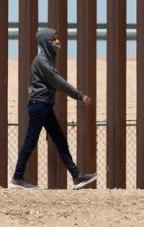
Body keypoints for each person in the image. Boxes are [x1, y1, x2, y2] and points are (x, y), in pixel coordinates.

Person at [10, 27, 97, 190]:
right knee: (31, 141)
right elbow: (57, 81)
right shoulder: (42, 61)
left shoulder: (48, 59)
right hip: (39, 105)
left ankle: (77, 176)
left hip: (44, 105)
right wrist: (79, 96)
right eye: (53, 39)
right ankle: (17, 177)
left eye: (57, 38)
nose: (58, 42)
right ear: (45, 42)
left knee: (59, 139)